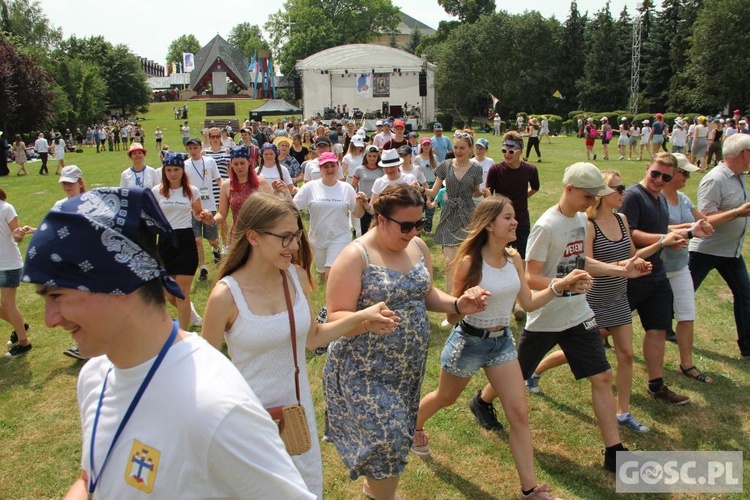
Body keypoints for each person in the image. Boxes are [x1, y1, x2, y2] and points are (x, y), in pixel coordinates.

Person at [21, 187, 314, 499]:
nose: (49, 319)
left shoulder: (215, 409)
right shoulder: (96, 378)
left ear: (118, 284)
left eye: (56, 296)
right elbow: (90, 480)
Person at [202, 193, 397, 498]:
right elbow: (205, 371)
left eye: (296, 235)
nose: (294, 246)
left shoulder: (295, 277)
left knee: (304, 490)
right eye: (285, 238)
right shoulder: (225, 296)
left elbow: (313, 338)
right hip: (248, 420)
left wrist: (362, 319)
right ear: (253, 237)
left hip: (295, 415)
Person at [413, 196, 589, 500]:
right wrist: (468, 300)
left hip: (502, 343)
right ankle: (413, 427)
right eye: (507, 217)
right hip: (469, 342)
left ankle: (530, 491)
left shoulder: (513, 259)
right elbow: (452, 314)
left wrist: (559, 285)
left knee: (519, 415)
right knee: (445, 397)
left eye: (513, 216)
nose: (515, 221)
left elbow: (528, 302)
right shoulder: (470, 262)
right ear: (489, 224)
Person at [324, 184, 490, 500]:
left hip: (405, 369)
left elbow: (424, 292)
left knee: (397, 436)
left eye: (420, 224)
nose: (413, 232)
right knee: (387, 436)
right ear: (381, 218)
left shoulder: (417, 247)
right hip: (363, 369)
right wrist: (364, 321)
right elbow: (334, 319)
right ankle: (382, 495)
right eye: (406, 225)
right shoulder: (354, 256)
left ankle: (377, 491)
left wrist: (457, 305)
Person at [524, 170, 671, 433]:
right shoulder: (547, 226)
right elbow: (530, 276)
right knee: (516, 373)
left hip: (581, 310)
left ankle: (617, 434)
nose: (592, 202)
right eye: (588, 195)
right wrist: (562, 284)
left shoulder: (581, 219)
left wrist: (622, 270)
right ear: (569, 189)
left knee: (606, 372)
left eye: (596, 196)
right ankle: (484, 399)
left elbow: (582, 261)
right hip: (549, 313)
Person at [620, 152, 711, 404]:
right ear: (647, 168)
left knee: (658, 329)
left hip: (656, 274)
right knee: (601, 330)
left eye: (665, 177)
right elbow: (631, 233)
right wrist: (663, 240)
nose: (659, 180)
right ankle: (542, 365)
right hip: (632, 275)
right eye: (655, 174)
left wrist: (690, 231)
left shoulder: (659, 198)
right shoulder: (633, 196)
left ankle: (656, 385)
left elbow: (663, 230)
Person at [689, 133, 750, 359]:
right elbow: (703, 220)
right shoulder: (716, 178)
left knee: (745, 294)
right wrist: (737, 212)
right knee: (682, 294)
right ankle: (659, 326)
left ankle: (747, 346)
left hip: (730, 252)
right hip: (704, 251)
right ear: (744, 153)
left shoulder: (738, 177)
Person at [662, 154, 714, 382]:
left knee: (686, 314)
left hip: (680, 266)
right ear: (672, 173)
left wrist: (702, 224)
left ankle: (687, 363)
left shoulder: (683, 198)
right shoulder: (656, 198)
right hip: (655, 268)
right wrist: (688, 228)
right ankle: (601, 335)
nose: (688, 177)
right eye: (685, 173)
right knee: (625, 315)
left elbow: (702, 221)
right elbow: (656, 227)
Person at [152, 152, 215, 330]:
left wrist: (205, 216)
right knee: (168, 292)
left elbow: (197, 213)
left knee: (181, 293)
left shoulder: (191, 191)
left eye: (176, 169)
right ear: (164, 171)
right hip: (164, 241)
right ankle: (190, 310)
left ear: (182, 170)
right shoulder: (157, 191)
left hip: (185, 241)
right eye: (169, 169)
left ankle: (184, 335)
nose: (173, 173)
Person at [292, 151, 368, 282]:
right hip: (317, 238)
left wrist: (362, 203)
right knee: (323, 274)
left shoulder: (346, 188)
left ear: (338, 167)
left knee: (331, 272)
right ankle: (334, 300)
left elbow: (358, 214)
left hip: (340, 236)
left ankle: (335, 302)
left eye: (332, 166)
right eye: (325, 166)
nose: (330, 169)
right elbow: (293, 207)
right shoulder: (310, 187)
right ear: (320, 169)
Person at [425, 133, 483, 296]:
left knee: (470, 260)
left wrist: (482, 192)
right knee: (449, 262)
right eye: (456, 147)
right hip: (449, 213)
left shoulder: (476, 168)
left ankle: (468, 295)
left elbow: (475, 193)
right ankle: (451, 302)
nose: (458, 151)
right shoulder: (445, 165)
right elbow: (433, 191)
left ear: (470, 149)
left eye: (462, 148)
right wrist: (421, 190)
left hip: (467, 214)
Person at [52, 166, 90, 360]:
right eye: (64, 183)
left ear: (80, 182)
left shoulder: (92, 204)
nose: (67, 186)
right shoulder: (59, 206)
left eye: (70, 182)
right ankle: (83, 344)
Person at [484, 132, 540, 259]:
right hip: (500, 221)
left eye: (511, 152)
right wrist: (489, 198)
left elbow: (535, 187)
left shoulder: (530, 169)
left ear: (520, 151)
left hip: (521, 220)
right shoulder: (495, 170)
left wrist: (522, 197)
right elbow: (489, 197)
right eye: (504, 150)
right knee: (498, 256)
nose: (506, 155)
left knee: (520, 257)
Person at [184, 138, 223, 283]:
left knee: (212, 239)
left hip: (210, 205)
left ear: (201, 148)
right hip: (193, 206)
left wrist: (225, 192)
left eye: (195, 147)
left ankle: (216, 249)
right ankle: (203, 268)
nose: (193, 151)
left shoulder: (209, 162)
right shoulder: (185, 165)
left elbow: (218, 179)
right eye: (190, 148)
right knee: (197, 240)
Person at [1, 188, 34, 357]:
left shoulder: (6, 208)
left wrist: (17, 234)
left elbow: (18, 235)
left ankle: (24, 342)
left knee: (7, 304)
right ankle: (20, 326)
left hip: (8, 263)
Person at [214, 146, 271, 239]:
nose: (239, 167)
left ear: (249, 162)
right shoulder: (226, 185)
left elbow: (272, 208)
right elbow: (221, 213)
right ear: (231, 164)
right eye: (235, 164)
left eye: (242, 163)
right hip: (237, 235)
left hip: (259, 234)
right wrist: (212, 220)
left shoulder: (261, 183)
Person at [351, 145, 383, 235]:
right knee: (365, 227)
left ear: (378, 157)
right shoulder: (359, 169)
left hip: (378, 201)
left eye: (374, 156)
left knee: (377, 225)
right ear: (365, 156)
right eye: (369, 156)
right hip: (364, 201)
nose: (372, 158)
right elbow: (353, 186)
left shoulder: (382, 170)